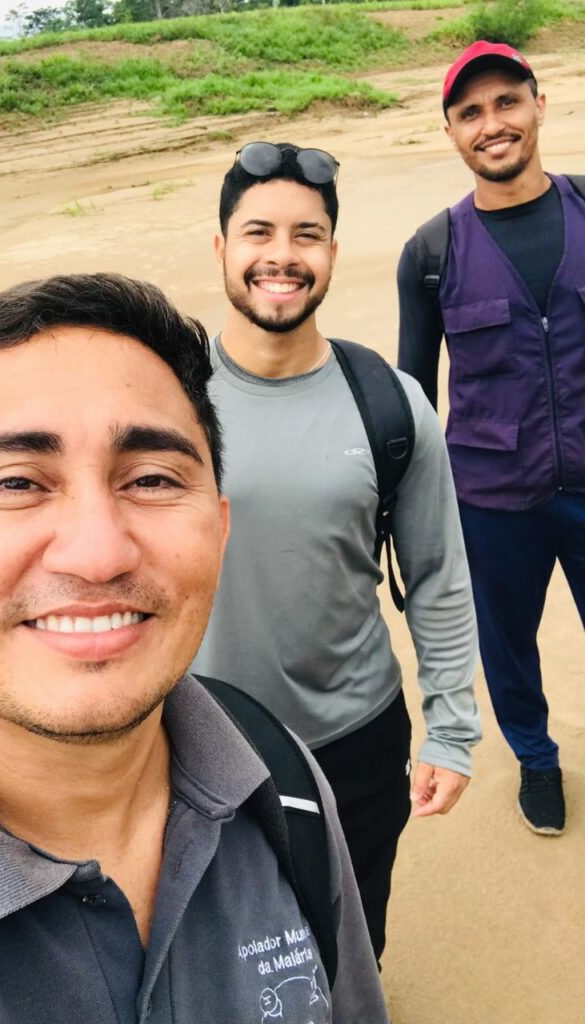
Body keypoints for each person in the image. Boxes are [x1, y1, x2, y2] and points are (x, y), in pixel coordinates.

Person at [0, 274, 390, 1022]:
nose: (98, 554)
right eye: (14, 483)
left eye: (151, 479)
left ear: (219, 534)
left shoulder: (279, 778)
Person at [192, 142, 480, 962]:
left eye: (306, 235)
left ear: (331, 253)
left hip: (353, 739)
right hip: (192, 741)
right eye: (258, 233)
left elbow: (436, 575)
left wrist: (450, 730)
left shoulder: (390, 404)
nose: (281, 256)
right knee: (221, 952)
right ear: (221, 248)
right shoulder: (165, 400)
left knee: (351, 939)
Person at [397, 41, 585, 837]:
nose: (491, 123)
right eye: (469, 112)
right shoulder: (430, 253)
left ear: (538, 104)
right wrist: (405, 516)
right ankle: (535, 761)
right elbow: (410, 395)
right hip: (490, 497)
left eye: (506, 101)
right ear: (450, 131)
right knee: (506, 647)